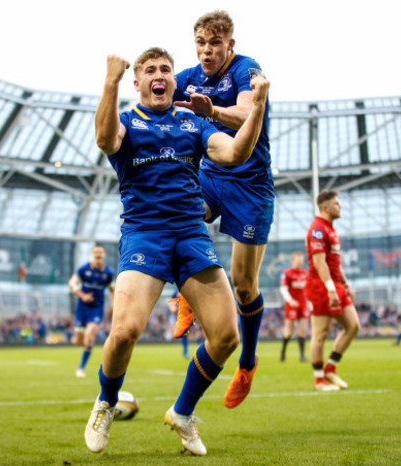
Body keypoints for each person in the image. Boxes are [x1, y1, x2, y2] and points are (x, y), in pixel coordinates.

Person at [84, 47, 269, 456]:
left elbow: (236, 152)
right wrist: (110, 82)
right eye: (150, 70)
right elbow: (104, 139)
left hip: (190, 235)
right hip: (145, 234)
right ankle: (105, 402)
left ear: (173, 80)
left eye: (166, 69)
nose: (160, 74)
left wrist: (256, 106)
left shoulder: (191, 120)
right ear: (139, 82)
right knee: (125, 331)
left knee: (226, 337)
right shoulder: (128, 121)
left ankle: (182, 413)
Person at [171, 10, 274, 409]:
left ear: (230, 44)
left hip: (250, 184)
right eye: (201, 43)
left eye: (215, 44)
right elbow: (156, 99)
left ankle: (246, 364)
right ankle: (185, 296)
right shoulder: (188, 77)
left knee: (244, 284)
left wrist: (209, 110)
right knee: (182, 214)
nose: (207, 51)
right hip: (213, 174)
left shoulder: (247, 69)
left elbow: (249, 113)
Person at [305, 189, 360, 391]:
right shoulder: (317, 229)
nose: (340, 206)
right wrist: (330, 288)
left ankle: (330, 368)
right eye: (336, 204)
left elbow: (335, 262)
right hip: (321, 285)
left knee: (353, 325)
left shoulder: (331, 229)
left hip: (335, 284)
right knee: (320, 334)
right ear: (325, 207)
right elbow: (319, 263)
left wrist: (345, 285)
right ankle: (319, 379)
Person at [68, 243, 115, 378]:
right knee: (79, 341)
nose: (98, 255)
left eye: (100, 252)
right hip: (82, 308)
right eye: (96, 252)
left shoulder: (108, 273)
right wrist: (82, 295)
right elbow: (72, 283)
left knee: (90, 335)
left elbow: (112, 290)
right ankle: (78, 340)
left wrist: (112, 306)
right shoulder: (83, 269)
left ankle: (81, 368)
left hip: (97, 308)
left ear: (104, 255)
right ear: (93, 254)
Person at [279, 251, 310, 362]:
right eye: (298, 260)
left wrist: (310, 303)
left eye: (301, 260)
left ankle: (302, 356)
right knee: (289, 332)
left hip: (303, 304)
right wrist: (290, 300)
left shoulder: (305, 273)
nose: (300, 262)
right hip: (291, 305)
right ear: (293, 261)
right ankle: (283, 352)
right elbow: (283, 289)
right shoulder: (287, 273)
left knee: (302, 331)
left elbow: (308, 290)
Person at [168, 290, 190, 359]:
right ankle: (186, 350)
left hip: (190, 314)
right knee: (184, 334)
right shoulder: (176, 291)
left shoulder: (188, 287)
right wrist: (173, 308)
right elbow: (171, 301)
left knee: (198, 331)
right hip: (182, 316)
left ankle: (198, 345)